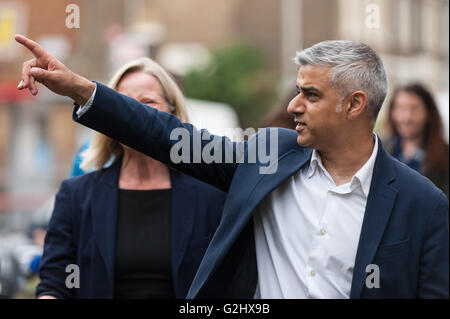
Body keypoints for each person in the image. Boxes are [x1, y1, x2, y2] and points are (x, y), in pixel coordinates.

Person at [16, 35, 449, 298]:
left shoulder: (423, 204)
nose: (293, 106)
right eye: (297, 91)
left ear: (355, 105)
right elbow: (162, 133)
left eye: (311, 95)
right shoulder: (268, 156)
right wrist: (77, 88)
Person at [33, 57, 226, 298]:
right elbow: (55, 282)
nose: (134, 116)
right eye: (124, 105)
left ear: (172, 114)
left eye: (148, 103)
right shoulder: (77, 196)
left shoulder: (211, 195)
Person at [382, 83, 449, 197]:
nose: (407, 117)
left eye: (414, 109)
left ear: (428, 112)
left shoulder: (444, 155)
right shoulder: (380, 149)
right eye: (401, 108)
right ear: (392, 112)